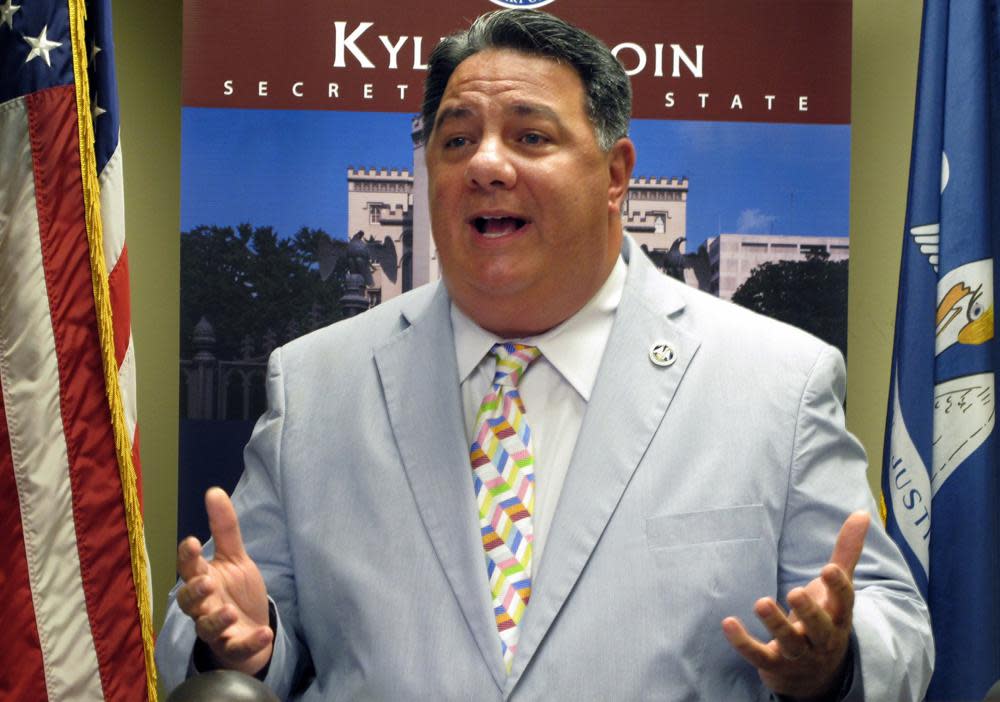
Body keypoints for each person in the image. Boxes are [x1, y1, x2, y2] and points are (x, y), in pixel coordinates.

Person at [157, 10, 933, 700]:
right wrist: (246, 647)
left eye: (530, 136)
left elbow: (898, 632)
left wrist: (833, 668)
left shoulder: (777, 380)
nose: (487, 165)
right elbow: (231, 631)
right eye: (457, 139)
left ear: (616, 175)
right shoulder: (317, 384)